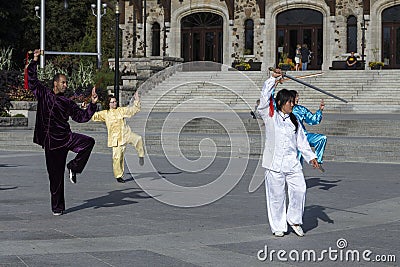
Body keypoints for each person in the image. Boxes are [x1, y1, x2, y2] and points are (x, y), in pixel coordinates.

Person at [27, 49, 98, 216]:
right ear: (56, 83)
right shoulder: (44, 94)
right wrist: (34, 61)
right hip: (51, 145)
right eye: (64, 82)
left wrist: (92, 105)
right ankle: (57, 208)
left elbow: (81, 117)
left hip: (66, 138)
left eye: (66, 83)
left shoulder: (67, 102)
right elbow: (32, 80)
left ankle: (73, 167)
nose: (66, 85)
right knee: (55, 178)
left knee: (89, 142)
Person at [257, 67, 319, 237]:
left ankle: (295, 220)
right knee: (276, 197)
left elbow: (302, 142)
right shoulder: (269, 116)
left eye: (293, 102)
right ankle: (278, 226)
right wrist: (272, 79)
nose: (292, 104)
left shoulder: (294, 121)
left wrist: (311, 157)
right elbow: (264, 98)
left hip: (292, 163)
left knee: (300, 189)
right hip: (273, 163)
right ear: (280, 103)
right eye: (289, 102)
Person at [91, 92, 145, 183]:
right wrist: (85, 108)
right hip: (115, 139)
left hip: (126, 134)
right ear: (108, 104)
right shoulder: (105, 113)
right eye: (112, 102)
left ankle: (141, 155)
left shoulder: (121, 110)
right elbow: (94, 116)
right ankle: (118, 175)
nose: (114, 103)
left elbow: (133, 110)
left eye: (115, 102)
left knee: (138, 139)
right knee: (117, 157)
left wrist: (137, 100)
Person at [291, 90, 327, 171]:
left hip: (303, 136)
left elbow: (313, 120)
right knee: (298, 157)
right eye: (296, 96)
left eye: (298, 96)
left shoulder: (301, 109)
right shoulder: (283, 110)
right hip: (291, 138)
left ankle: (318, 161)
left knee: (322, 138)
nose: (298, 98)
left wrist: (320, 110)